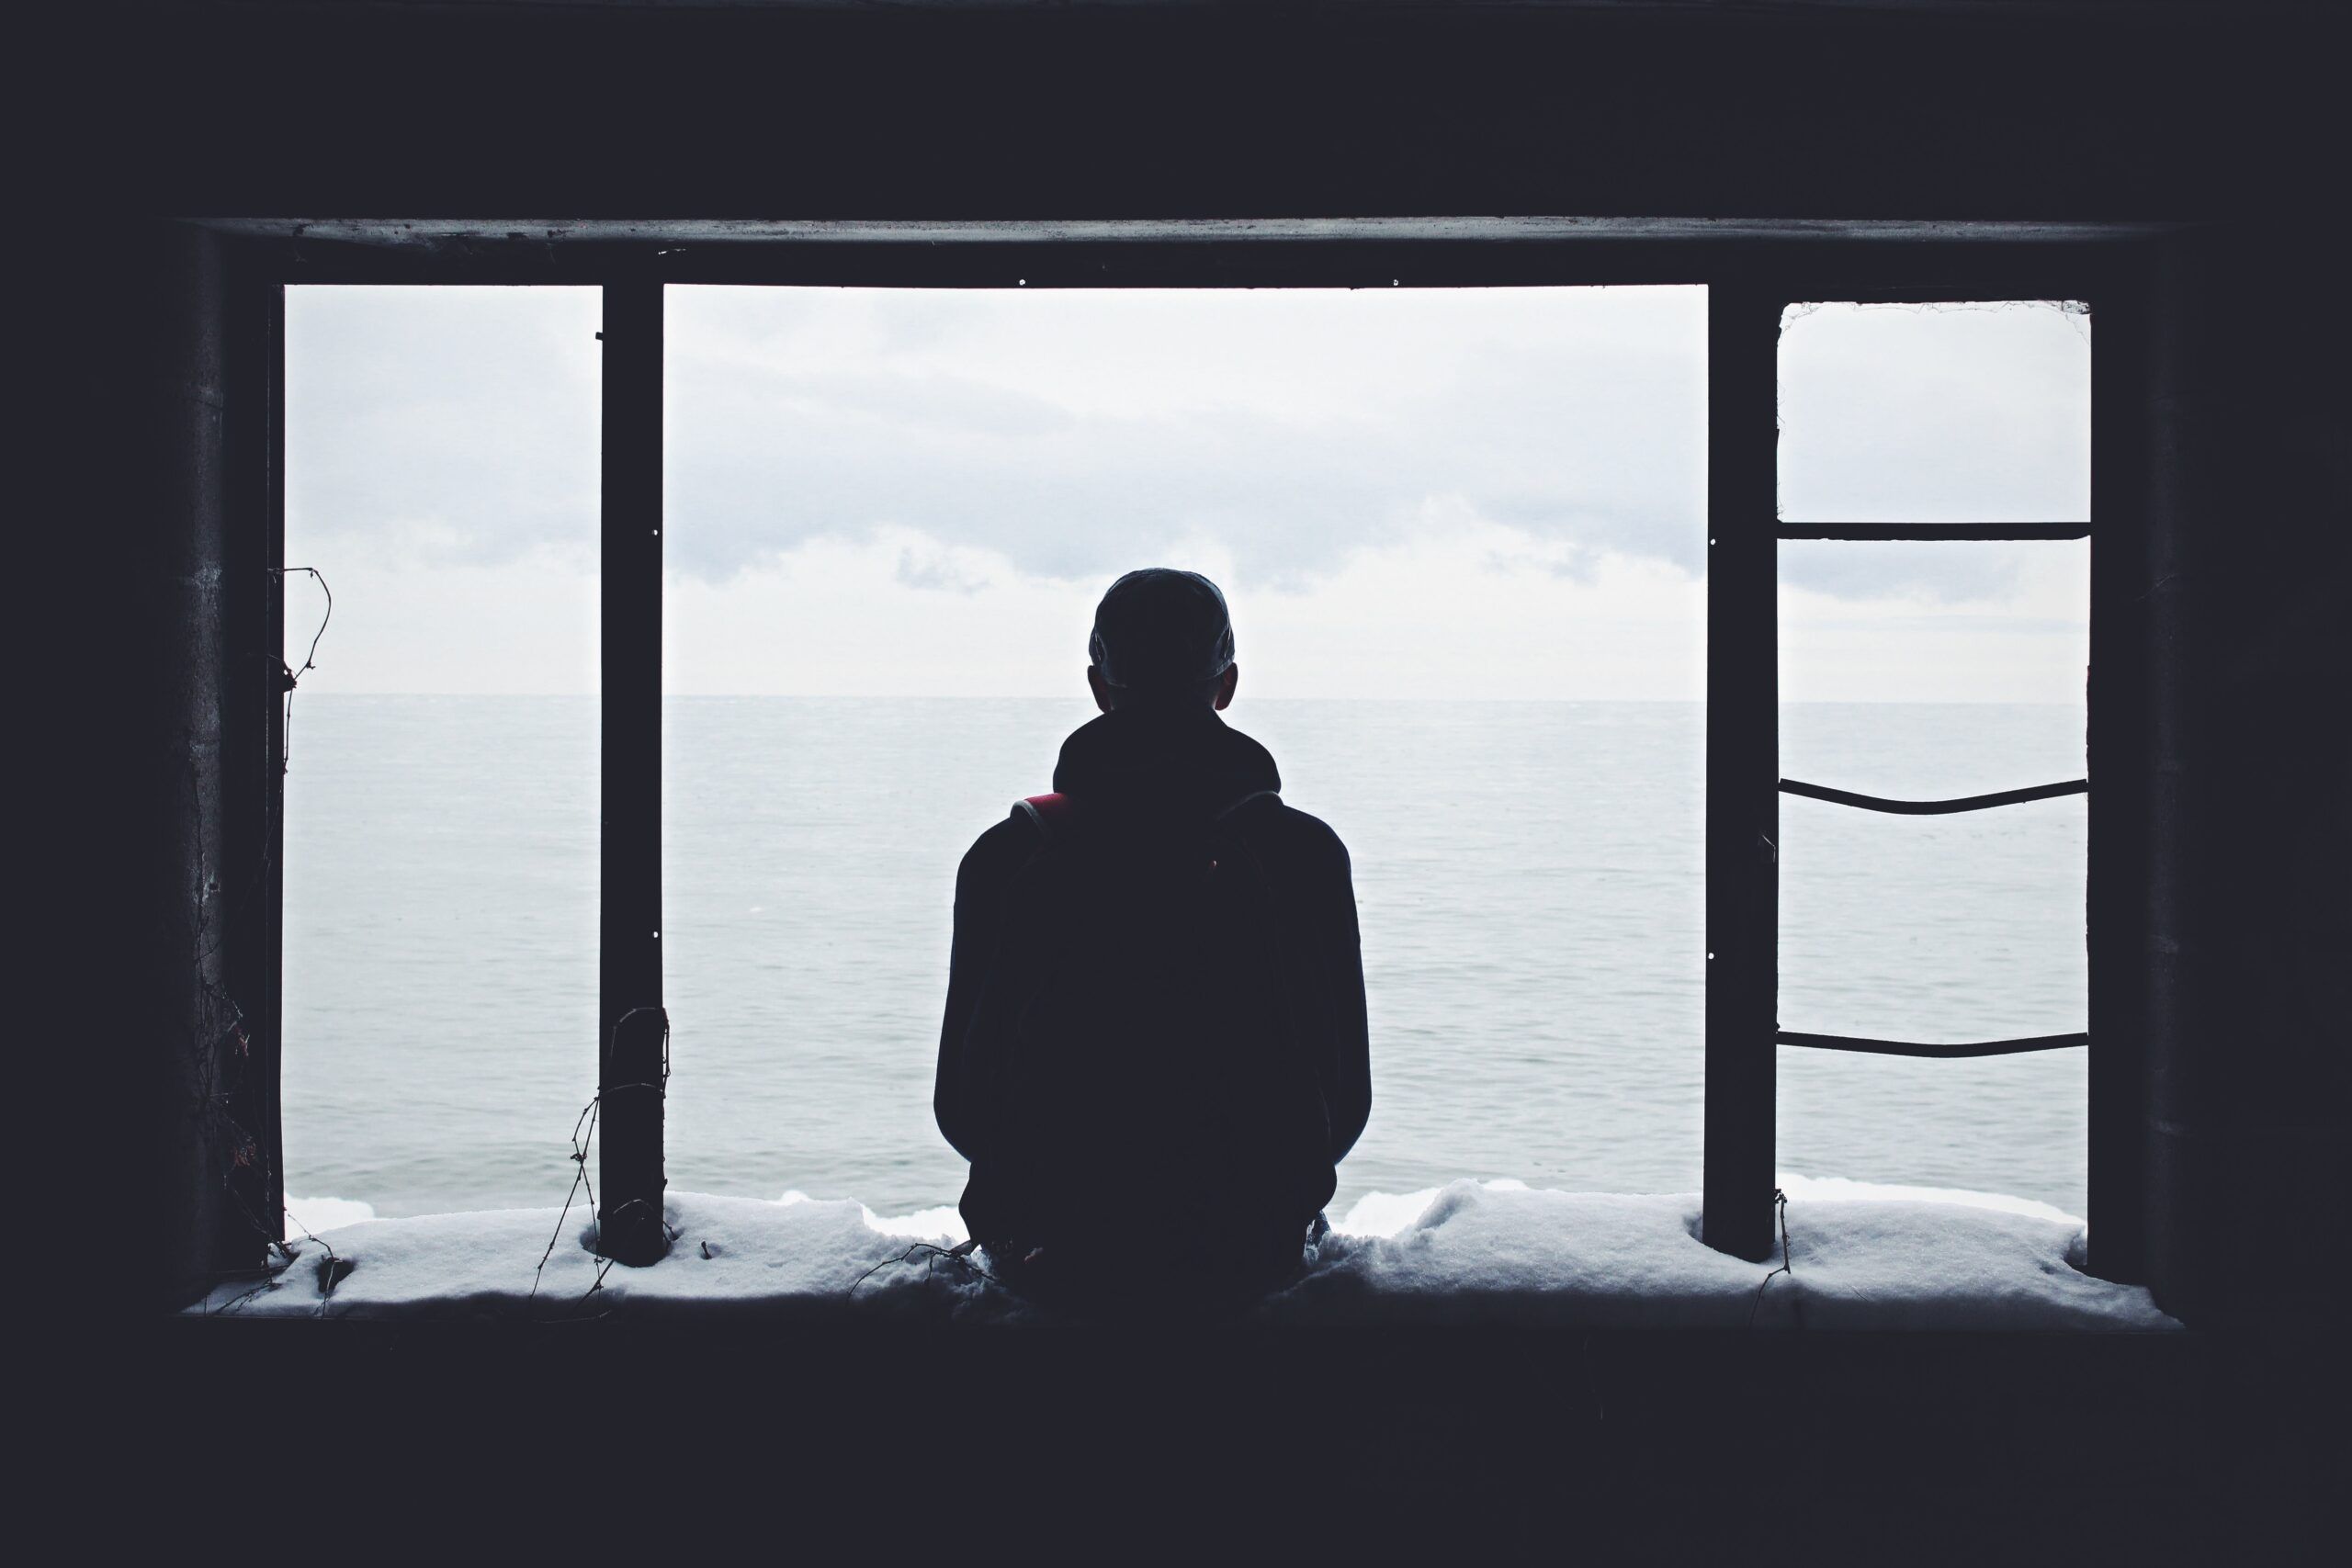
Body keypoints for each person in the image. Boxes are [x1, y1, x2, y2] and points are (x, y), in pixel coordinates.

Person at [933, 569, 1372, 1316]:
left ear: (1100, 686)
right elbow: (1345, 1103)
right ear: (1226, 684)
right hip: (1246, 1252)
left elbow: (962, 1109)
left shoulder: (1009, 855)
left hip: (1051, 1254)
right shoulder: (1303, 853)